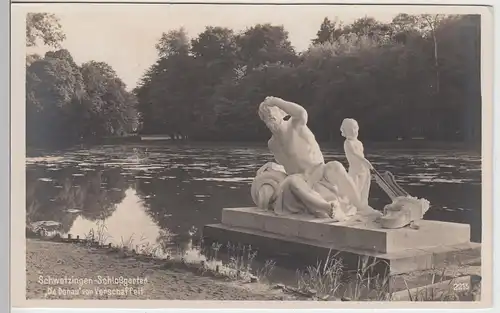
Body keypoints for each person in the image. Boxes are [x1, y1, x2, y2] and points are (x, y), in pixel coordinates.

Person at [256, 96, 379, 219]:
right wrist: (273, 166)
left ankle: (361, 207)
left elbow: (301, 112)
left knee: (335, 166)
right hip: (302, 178)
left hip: (319, 170)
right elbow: (287, 165)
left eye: (272, 115)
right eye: (266, 118)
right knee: (292, 181)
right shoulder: (272, 144)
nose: (270, 120)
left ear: (282, 113)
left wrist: (276, 101)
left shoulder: (295, 125)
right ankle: (327, 208)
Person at [341, 118, 372, 207]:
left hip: (364, 169)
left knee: (364, 190)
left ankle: (363, 206)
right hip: (355, 170)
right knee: (354, 190)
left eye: (355, 128)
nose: (354, 131)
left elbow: (361, 154)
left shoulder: (359, 142)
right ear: (345, 131)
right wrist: (365, 161)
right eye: (351, 130)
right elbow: (355, 154)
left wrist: (365, 164)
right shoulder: (348, 143)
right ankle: (353, 206)